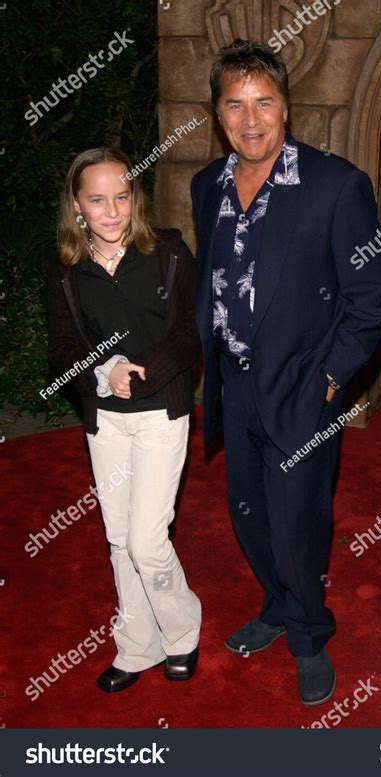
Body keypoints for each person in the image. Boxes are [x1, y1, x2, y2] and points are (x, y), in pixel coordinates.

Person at [192, 39, 381, 706]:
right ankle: (278, 604)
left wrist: (334, 377)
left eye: (265, 103)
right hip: (232, 382)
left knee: (296, 520)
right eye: (235, 106)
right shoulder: (207, 186)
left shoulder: (336, 186)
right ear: (218, 115)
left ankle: (310, 633)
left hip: (304, 385)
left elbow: (371, 297)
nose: (251, 120)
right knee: (247, 513)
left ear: (286, 107)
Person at [48, 147, 202, 692]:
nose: (112, 211)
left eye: (121, 196)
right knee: (118, 538)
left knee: (146, 541)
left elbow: (189, 330)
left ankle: (182, 632)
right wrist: (104, 369)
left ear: (133, 196)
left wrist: (145, 371)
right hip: (105, 422)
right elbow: (63, 348)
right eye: (97, 200)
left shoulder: (169, 251)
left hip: (161, 412)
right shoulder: (68, 269)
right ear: (77, 205)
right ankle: (138, 647)